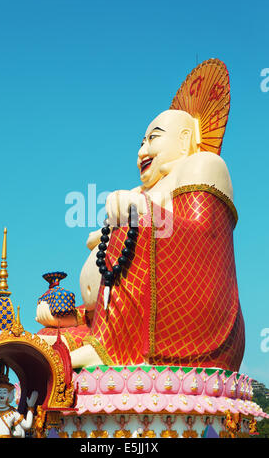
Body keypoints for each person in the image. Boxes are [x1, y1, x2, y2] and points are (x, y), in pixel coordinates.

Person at [70, 60, 245, 370]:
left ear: (185, 139)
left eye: (153, 138)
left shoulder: (202, 165)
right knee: (53, 320)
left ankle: (110, 347)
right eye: (140, 142)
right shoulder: (141, 192)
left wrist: (139, 215)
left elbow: (203, 239)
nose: (141, 151)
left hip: (188, 328)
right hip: (100, 319)